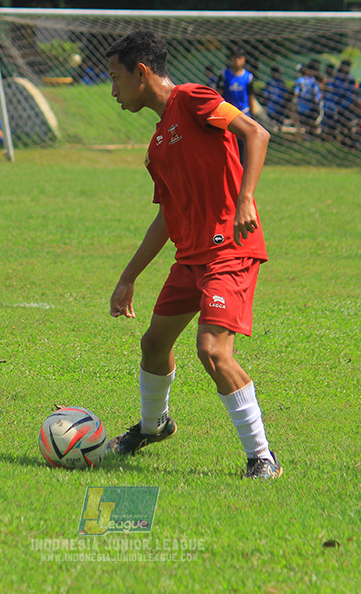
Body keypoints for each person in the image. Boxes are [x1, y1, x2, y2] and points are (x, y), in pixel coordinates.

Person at [104, 30, 281, 480]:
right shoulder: (157, 147)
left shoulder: (195, 99)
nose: (113, 91)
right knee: (153, 345)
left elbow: (255, 133)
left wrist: (246, 199)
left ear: (141, 73)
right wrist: (129, 277)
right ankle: (153, 426)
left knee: (212, 351)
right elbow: (167, 217)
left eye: (116, 78)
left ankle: (263, 458)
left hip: (230, 252)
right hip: (190, 260)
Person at [294, 60, 323, 134]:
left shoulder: (311, 80)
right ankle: (305, 134)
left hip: (309, 104)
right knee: (304, 120)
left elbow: (315, 91)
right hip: (304, 104)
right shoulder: (302, 80)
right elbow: (297, 92)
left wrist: (316, 99)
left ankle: (309, 134)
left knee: (310, 120)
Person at [262, 66, 289, 130]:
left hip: (280, 106)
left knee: (280, 122)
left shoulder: (282, 83)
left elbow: (285, 94)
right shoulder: (269, 83)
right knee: (271, 123)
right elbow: (265, 94)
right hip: (271, 106)